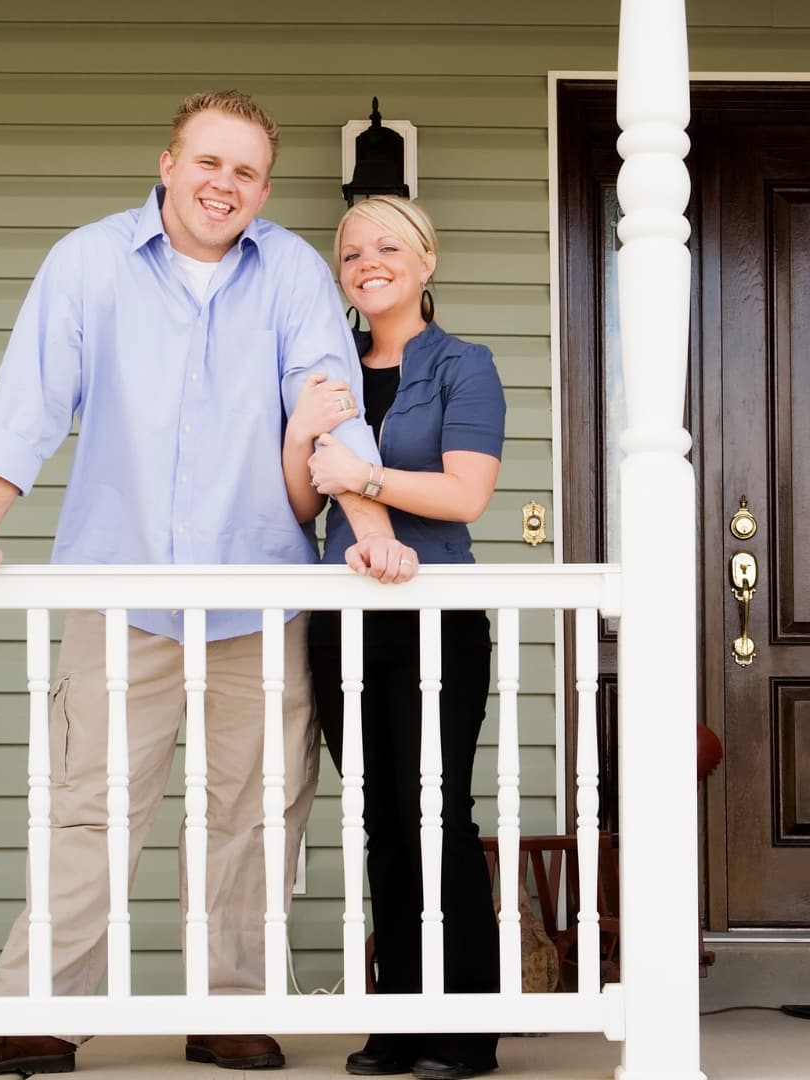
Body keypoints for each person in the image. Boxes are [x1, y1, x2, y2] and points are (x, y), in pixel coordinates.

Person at [0, 90, 419, 1079]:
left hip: (260, 599)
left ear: (264, 189)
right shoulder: (88, 264)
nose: (225, 184)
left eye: (246, 172)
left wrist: (375, 536)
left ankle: (228, 1007)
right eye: (209, 163)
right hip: (120, 588)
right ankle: (35, 1018)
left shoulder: (294, 277)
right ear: (169, 164)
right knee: (88, 809)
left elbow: (333, 420)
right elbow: (25, 412)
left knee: (255, 810)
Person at [288, 195, 506, 1080]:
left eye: (387, 247)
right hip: (346, 625)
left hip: (436, 621)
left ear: (425, 263)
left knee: (437, 812)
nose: (367, 262)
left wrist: (364, 471)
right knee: (380, 820)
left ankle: (464, 1031)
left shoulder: (464, 365)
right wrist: (307, 434)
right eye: (350, 252)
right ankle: (400, 1021)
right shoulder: (324, 370)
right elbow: (302, 506)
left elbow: (465, 497)